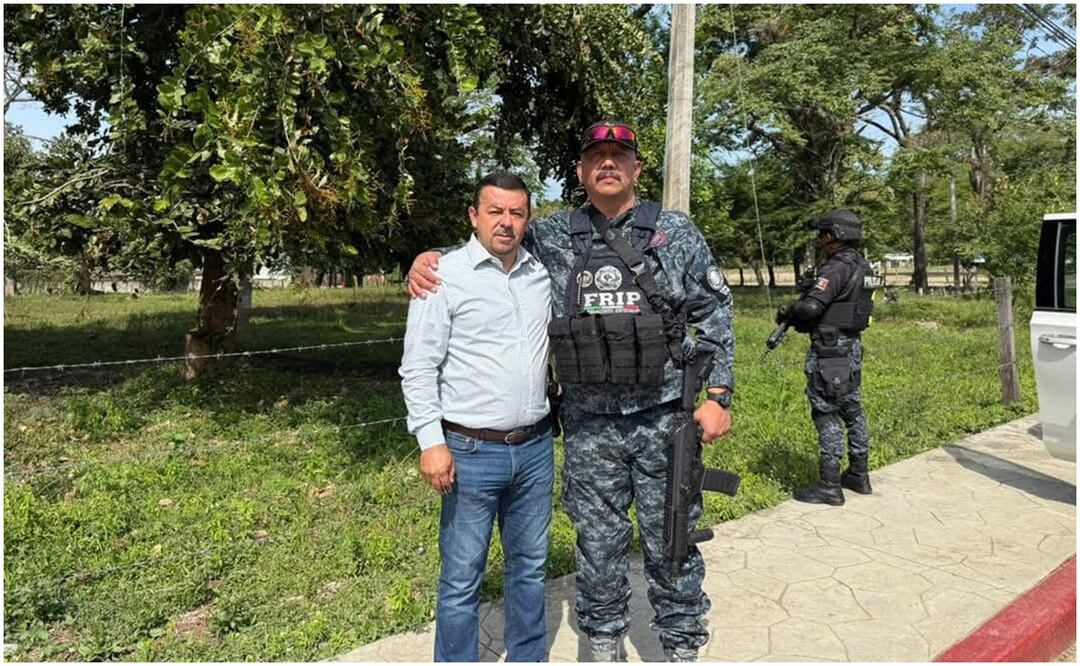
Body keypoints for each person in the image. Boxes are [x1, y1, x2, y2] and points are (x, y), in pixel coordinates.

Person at [408, 121, 734, 662]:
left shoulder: (675, 233)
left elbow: (716, 312)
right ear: (581, 172)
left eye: (619, 156)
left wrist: (718, 394)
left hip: (664, 420)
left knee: (671, 539)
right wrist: (428, 259)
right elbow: (493, 242)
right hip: (589, 425)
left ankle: (681, 648)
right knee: (598, 547)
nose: (608, 164)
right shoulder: (553, 235)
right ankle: (602, 645)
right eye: (596, 156)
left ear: (635, 169)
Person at [399, 172, 554, 662]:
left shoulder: (541, 274)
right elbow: (418, 366)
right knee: (462, 575)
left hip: (534, 448)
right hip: (469, 452)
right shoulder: (443, 275)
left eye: (516, 213)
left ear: (528, 219)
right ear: (473, 216)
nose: (506, 223)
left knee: (529, 567)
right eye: (495, 211)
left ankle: (528, 655)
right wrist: (430, 441)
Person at [775, 209, 877, 506]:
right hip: (851, 347)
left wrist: (788, 310)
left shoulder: (835, 268)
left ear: (834, 235)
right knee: (852, 409)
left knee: (827, 412)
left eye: (823, 234)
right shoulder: (862, 265)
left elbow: (810, 309)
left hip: (830, 350)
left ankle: (830, 484)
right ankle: (859, 474)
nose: (820, 240)